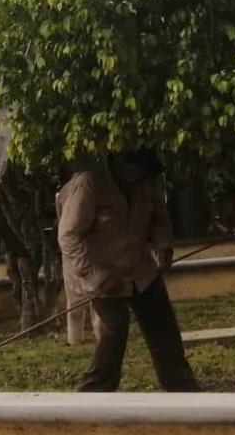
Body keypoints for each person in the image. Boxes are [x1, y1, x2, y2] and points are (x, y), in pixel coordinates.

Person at [57, 152, 198, 392]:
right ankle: (93, 395)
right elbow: (69, 237)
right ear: (122, 165)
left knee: (164, 330)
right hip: (100, 275)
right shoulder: (89, 184)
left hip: (140, 270)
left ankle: (182, 390)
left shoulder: (147, 182)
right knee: (114, 332)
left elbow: (159, 218)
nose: (143, 180)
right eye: (139, 174)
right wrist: (97, 276)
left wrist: (163, 244)